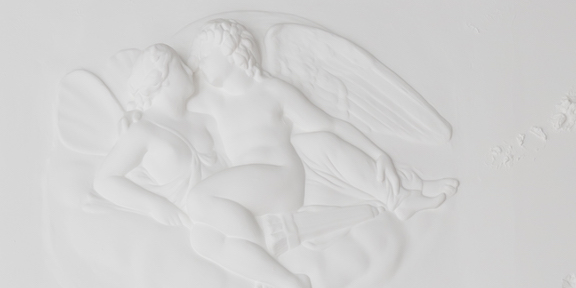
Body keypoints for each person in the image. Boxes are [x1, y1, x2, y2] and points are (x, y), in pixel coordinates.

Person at [88, 43, 321, 288]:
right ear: (163, 78)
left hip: (237, 201)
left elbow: (237, 158)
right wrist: (154, 205)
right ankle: (292, 284)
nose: (190, 70)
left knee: (202, 209)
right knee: (203, 240)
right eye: (181, 66)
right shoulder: (143, 131)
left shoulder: (206, 119)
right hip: (209, 218)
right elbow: (105, 180)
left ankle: (263, 260)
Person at [188, 20, 456, 262]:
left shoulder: (273, 91)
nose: (200, 64)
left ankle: (397, 196)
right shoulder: (214, 102)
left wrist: (378, 154)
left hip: (281, 181)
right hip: (255, 193)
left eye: (205, 56)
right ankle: (260, 259)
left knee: (320, 140)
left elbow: (331, 124)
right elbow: (175, 96)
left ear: (229, 51)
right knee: (209, 221)